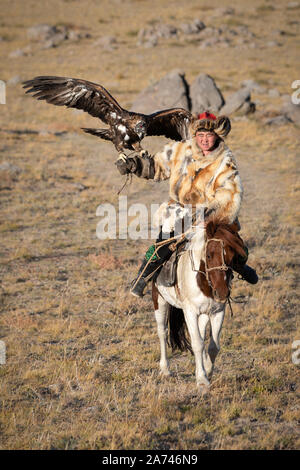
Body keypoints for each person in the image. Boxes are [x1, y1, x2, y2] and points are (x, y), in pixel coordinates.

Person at [116, 111, 258, 297]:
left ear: (216, 135)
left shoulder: (225, 160)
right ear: (195, 135)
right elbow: (157, 166)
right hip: (179, 211)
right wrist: (135, 165)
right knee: (163, 243)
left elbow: (229, 193)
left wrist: (209, 216)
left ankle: (240, 266)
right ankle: (143, 277)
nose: (205, 140)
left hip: (212, 213)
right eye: (200, 135)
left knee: (235, 246)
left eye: (209, 135)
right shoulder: (181, 149)